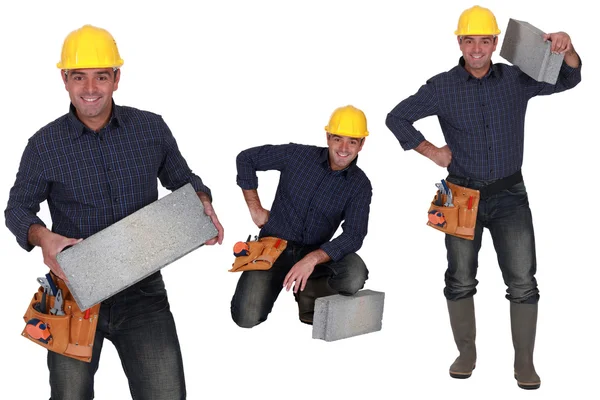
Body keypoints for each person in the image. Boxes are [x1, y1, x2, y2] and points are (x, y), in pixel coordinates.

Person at [5, 24, 224, 399]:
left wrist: (202, 200)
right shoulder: (44, 146)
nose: (90, 89)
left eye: (101, 76)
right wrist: (42, 237)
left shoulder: (150, 129)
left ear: (117, 78)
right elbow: (17, 208)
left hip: (143, 295)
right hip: (72, 294)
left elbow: (183, 180)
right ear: (65, 80)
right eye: (79, 77)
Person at [385, 5, 581, 390]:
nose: (477, 48)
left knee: (523, 281)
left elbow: (570, 78)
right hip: (458, 195)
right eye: (469, 40)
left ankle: (524, 362)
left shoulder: (517, 79)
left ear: (495, 43)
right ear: (459, 42)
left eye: (485, 41)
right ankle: (466, 353)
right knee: (459, 279)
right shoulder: (442, 87)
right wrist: (432, 152)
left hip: (510, 194)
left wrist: (568, 47)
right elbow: (396, 117)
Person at [231, 105, 371, 327]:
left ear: (361, 144)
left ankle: (309, 289)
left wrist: (312, 259)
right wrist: (254, 208)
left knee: (354, 274)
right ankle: (282, 279)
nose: (344, 148)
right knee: (245, 317)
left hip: (316, 253)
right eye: (338, 139)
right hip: (273, 248)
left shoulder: (360, 185)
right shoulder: (296, 156)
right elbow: (246, 158)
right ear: (328, 137)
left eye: (352, 141)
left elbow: (355, 235)